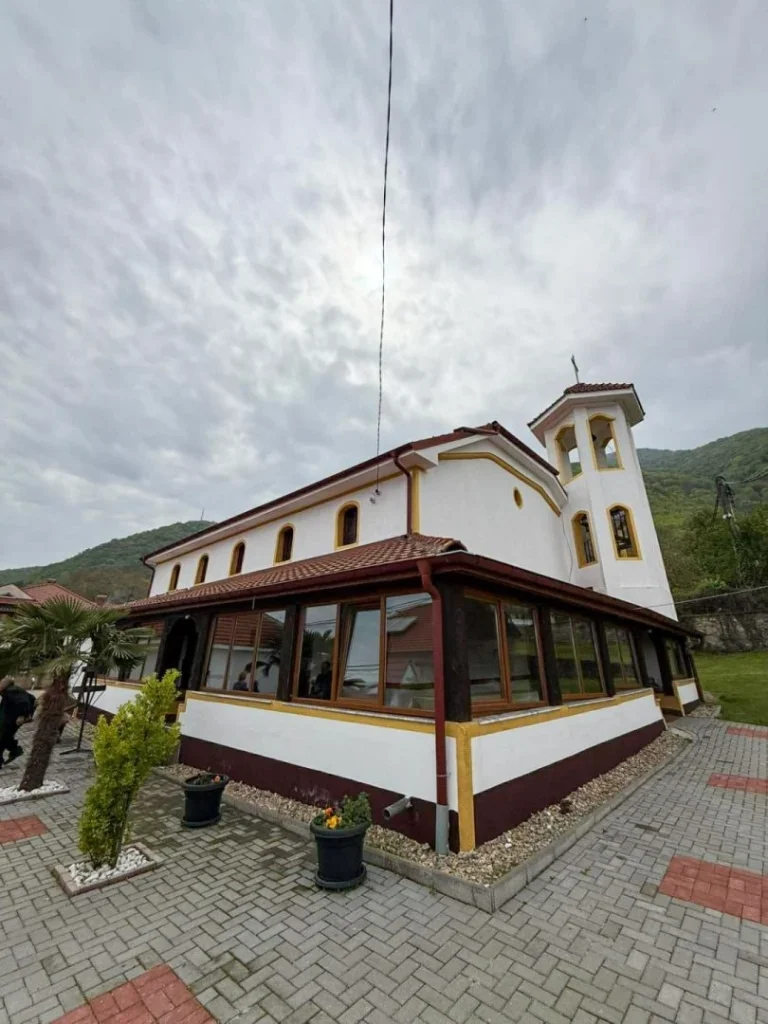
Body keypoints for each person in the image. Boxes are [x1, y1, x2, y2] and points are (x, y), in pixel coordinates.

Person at [0, 677, 36, 769]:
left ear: (5, 684)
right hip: (8, 719)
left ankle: (15, 750)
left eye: (1, 683)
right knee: (4, 738)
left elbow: (24, 702)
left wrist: (23, 715)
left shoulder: (12, 691)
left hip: (11, 720)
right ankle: (15, 750)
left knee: (3, 737)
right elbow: (31, 698)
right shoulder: (10, 690)